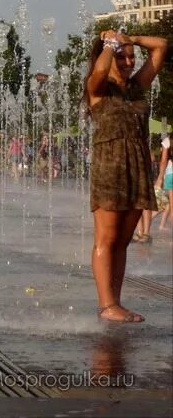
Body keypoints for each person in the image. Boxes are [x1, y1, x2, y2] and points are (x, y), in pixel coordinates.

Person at [85, 29, 166, 324]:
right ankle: (106, 305)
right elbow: (101, 69)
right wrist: (110, 45)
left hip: (137, 166)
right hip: (109, 168)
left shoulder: (137, 87)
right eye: (124, 58)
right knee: (106, 238)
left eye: (132, 58)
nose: (130, 63)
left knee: (122, 241)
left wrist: (129, 38)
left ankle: (115, 302)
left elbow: (161, 47)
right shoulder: (98, 89)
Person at [154, 136, 171, 231]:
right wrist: (160, 178)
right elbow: (163, 161)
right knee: (164, 206)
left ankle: (161, 225)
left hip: (166, 176)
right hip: (167, 176)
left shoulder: (167, 141)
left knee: (167, 206)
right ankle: (143, 227)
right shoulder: (167, 141)